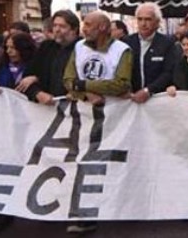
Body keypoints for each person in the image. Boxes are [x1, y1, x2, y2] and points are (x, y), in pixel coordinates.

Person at [62, 12, 131, 234]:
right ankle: (85, 214)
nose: (84, 28)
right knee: (83, 163)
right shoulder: (79, 48)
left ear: (102, 27)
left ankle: (115, 208)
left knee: (108, 165)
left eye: (89, 24)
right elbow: (68, 80)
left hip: (114, 118)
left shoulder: (121, 50)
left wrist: (82, 85)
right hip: (84, 115)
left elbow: (120, 84)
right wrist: (86, 94)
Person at [16, 10, 81, 105]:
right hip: (47, 107)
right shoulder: (46, 47)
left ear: (74, 29)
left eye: (62, 26)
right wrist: (37, 93)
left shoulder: (84, 49)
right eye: (55, 26)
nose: (57, 30)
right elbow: (27, 78)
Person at [122, 2, 175, 103]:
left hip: (157, 99)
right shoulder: (126, 42)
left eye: (148, 19)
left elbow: (168, 72)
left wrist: (149, 90)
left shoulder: (167, 43)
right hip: (131, 100)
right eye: (140, 19)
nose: (143, 23)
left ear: (157, 22)